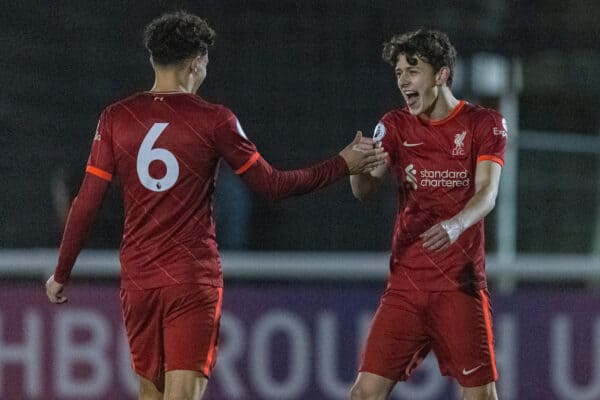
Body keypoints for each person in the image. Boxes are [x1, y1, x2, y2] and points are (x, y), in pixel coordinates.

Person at [44, 11, 386, 400]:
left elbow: (86, 202)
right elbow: (273, 185)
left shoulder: (116, 118)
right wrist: (342, 164)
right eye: (206, 60)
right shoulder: (214, 120)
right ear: (196, 63)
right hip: (190, 279)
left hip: (139, 280)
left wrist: (61, 271)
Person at [349, 29, 506, 400]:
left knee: (480, 395)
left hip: (459, 286)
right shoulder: (395, 125)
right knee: (363, 393)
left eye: (413, 70)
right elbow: (366, 191)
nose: (403, 80)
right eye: (399, 72)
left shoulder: (484, 124)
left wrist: (455, 225)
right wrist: (356, 168)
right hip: (406, 286)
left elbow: (487, 193)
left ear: (441, 75)